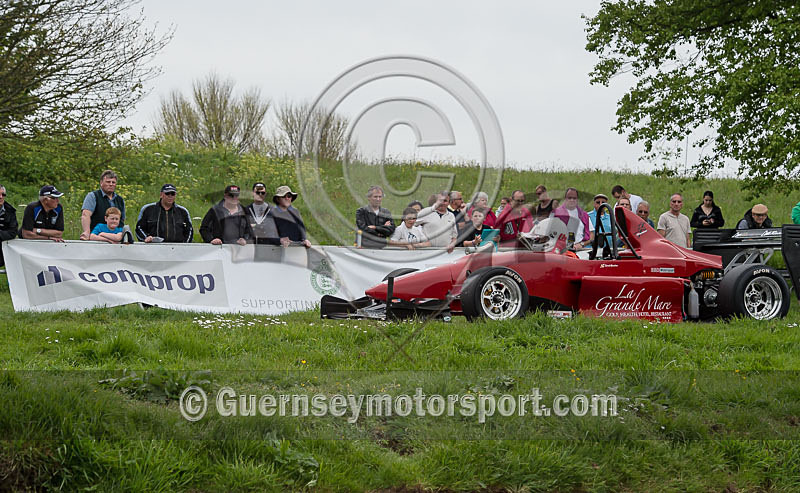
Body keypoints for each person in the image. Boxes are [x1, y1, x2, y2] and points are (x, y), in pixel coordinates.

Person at [80, 170, 126, 240]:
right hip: (97, 237)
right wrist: (87, 232)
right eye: (108, 182)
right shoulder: (93, 196)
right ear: (101, 183)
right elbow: (85, 215)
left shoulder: (120, 200)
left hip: (116, 238)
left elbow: (122, 220)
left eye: (113, 182)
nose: (111, 184)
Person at [0, 184, 19, 268]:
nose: (1, 197)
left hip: (2, 248)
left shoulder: (10, 210)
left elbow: (13, 232)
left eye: (3, 194)